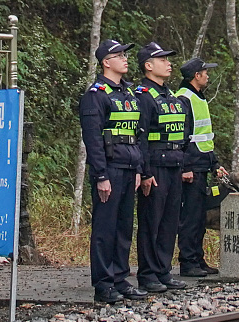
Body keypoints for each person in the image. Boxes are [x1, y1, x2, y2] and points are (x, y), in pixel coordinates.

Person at [78, 39, 149, 304]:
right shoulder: (96, 95)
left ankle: (120, 278)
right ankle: (104, 284)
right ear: (106, 62)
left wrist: (139, 169)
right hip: (109, 168)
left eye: (125, 55)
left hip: (130, 168)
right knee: (105, 229)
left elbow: (137, 134)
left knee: (123, 228)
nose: (125, 59)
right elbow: (93, 140)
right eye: (119, 55)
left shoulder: (128, 94)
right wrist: (101, 176)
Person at [132, 41, 191, 292]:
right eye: (163, 59)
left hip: (175, 165)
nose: (169, 63)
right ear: (148, 66)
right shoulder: (143, 96)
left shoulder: (172, 97)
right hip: (155, 166)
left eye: (168, 59)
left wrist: (185, 164)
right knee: (151, 222)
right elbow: (140, 137)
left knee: (169, 222)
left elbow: (183, 134)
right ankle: (147, 274)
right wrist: (144, 172)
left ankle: (163, 271)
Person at [174, 57, 221, 277]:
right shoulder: (184, 99)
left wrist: (215, 164)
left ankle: (198, 259)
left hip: (201, 164)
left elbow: (203, 136)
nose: (208, 75)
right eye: (205, 72)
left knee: (199, 217)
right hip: (191, 167)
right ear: (196, 76)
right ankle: (188, 262)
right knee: (190, 217)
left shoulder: (197, 98)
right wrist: (185, 167)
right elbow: (181, 137)